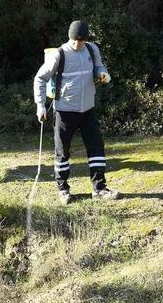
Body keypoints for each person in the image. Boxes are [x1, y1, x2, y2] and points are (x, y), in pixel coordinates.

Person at [33, 20, 119, 204]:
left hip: (88, 109)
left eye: (81, 41)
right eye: (74, 40)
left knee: (96, 147)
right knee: (62, 152)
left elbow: (99, 68)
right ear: (69, 37)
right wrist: (40, 105)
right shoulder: (59, 54)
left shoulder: (92, 49)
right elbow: (40, 78)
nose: (77, 44)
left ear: (86, 39)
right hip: (64, 111)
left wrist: (104, 74)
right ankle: (63, 189)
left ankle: (99, 188)